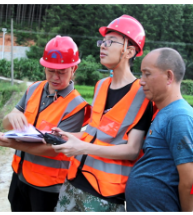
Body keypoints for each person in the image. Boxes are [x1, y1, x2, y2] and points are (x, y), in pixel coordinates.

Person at [51, 15, 153, 212]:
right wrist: (68, 137)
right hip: (73, 181)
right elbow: (94, 134)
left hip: (104, 194)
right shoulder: (101, 85)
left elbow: (132, 150)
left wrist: (81, 148)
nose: (102, 46)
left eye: (110, 42)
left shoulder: (142, 94)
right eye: (102, 41)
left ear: (129, 51)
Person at [0, 35, 91, 212]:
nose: (55, 77)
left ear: (74, 68)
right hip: (20, 177)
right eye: (51, 70)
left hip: (48, 187)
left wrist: (11, 143)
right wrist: (11, 116)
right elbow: (7, 124)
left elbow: (55, 148)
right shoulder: (33, 89)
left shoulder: (76, 105)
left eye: (62, 71)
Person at [125, 47, 193, 212]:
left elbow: (189, 180)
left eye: (147, 74)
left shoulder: (179, 117)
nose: (141, 81)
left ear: (169, 77)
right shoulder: (164, 112)